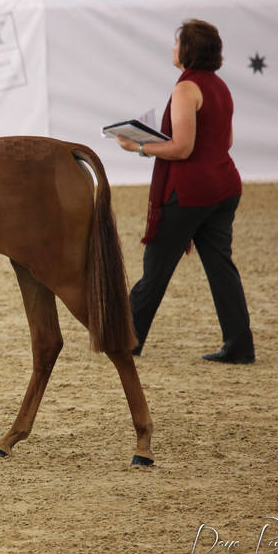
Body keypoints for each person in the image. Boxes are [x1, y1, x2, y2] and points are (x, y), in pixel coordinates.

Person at [114, 19, 254, 364]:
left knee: (156, 269)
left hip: (190, 193)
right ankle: (240, 345)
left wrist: (140, 148)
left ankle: (126, 340)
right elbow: (227, 140)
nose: (173, 48)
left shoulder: (186, 89)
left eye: (178, 43)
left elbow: (182, 149)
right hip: (224, 187)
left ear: (188, 50)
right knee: (221, 268)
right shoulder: (220, 87)